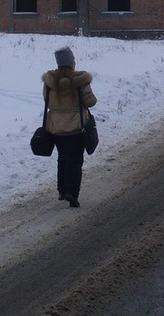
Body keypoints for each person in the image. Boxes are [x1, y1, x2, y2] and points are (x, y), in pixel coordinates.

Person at [42, 46, 97, 207]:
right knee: (75, 160)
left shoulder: (50, 81)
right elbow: (90, 102)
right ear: (72, 62)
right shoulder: (80, 80)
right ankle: (71, 193)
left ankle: (61, 189)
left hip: (55, 127)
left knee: (63, 158)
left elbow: (46, 100)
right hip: (75, 127)